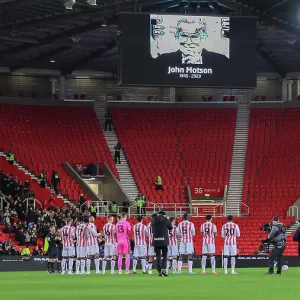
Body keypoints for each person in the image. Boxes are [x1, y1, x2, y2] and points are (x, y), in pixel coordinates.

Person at [153, 17, 229, 66]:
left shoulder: (221, 61)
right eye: (184, 36)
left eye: (194, 36)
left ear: (203, 37)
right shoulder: (162, 60)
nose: (189, 42)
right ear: (177, 36)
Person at [152, 211, 173, 276]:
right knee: (164, 255)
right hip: (164, 240)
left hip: (156, 239)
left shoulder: (154, 219)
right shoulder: (164, 219)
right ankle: (164, 269)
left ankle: (159, 271)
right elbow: (170, 226)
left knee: (158, 256)